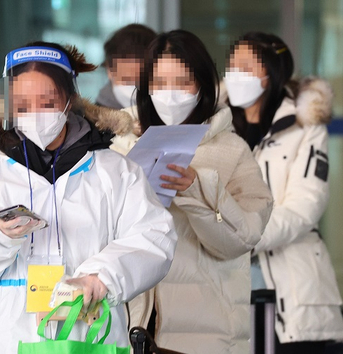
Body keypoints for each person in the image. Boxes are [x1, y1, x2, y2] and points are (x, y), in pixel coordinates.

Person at [0, 42, 178, 353]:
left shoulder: (114, 172)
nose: (34, 114)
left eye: (46, 102)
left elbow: (155, 237)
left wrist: (100, 277)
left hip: (88, 339)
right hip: (0, 341)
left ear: (70, 100)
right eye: (22, 104)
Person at [116, 30, 273, 353]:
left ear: (202, 84)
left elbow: (242, 239)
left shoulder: (231, 150)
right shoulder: (119, 147)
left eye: (182, 82)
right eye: (159, 83)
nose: (169, 94)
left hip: (208, 329)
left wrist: (196, 189)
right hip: (131, 325)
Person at [225, 32, 343, 353]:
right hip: (228, 288)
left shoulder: (305, 126)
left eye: (245, 66)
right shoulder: (218, 127)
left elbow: (305, 205)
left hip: (294, 290)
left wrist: (242, 236)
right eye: (231, 65)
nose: (234, 74)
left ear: (270, 73)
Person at [96, 24, 157, 109]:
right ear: (109, 71)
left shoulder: (168, 116)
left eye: (142, 82)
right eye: (127, 80)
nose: (136, 90)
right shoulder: (89, 120)